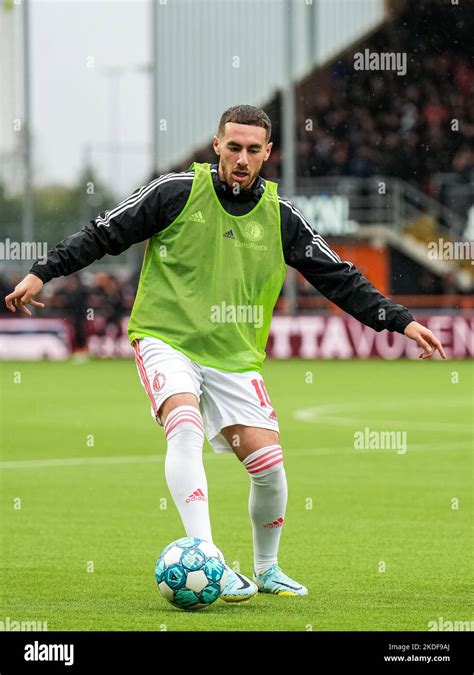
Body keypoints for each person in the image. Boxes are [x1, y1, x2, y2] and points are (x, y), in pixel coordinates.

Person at [5, 104, 446, 602]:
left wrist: (400, 320)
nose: (241, 158)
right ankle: (208, 556)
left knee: (270, 469)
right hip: (166, 337)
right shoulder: (174, 192)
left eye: (252, 149)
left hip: (233, 357)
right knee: (185, 426)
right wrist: (43, 270)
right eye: (233, 147)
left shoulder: (280, 217)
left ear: (268, 153)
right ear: (217, 145)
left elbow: (338, 277)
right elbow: (104, 232)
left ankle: (268, 568)